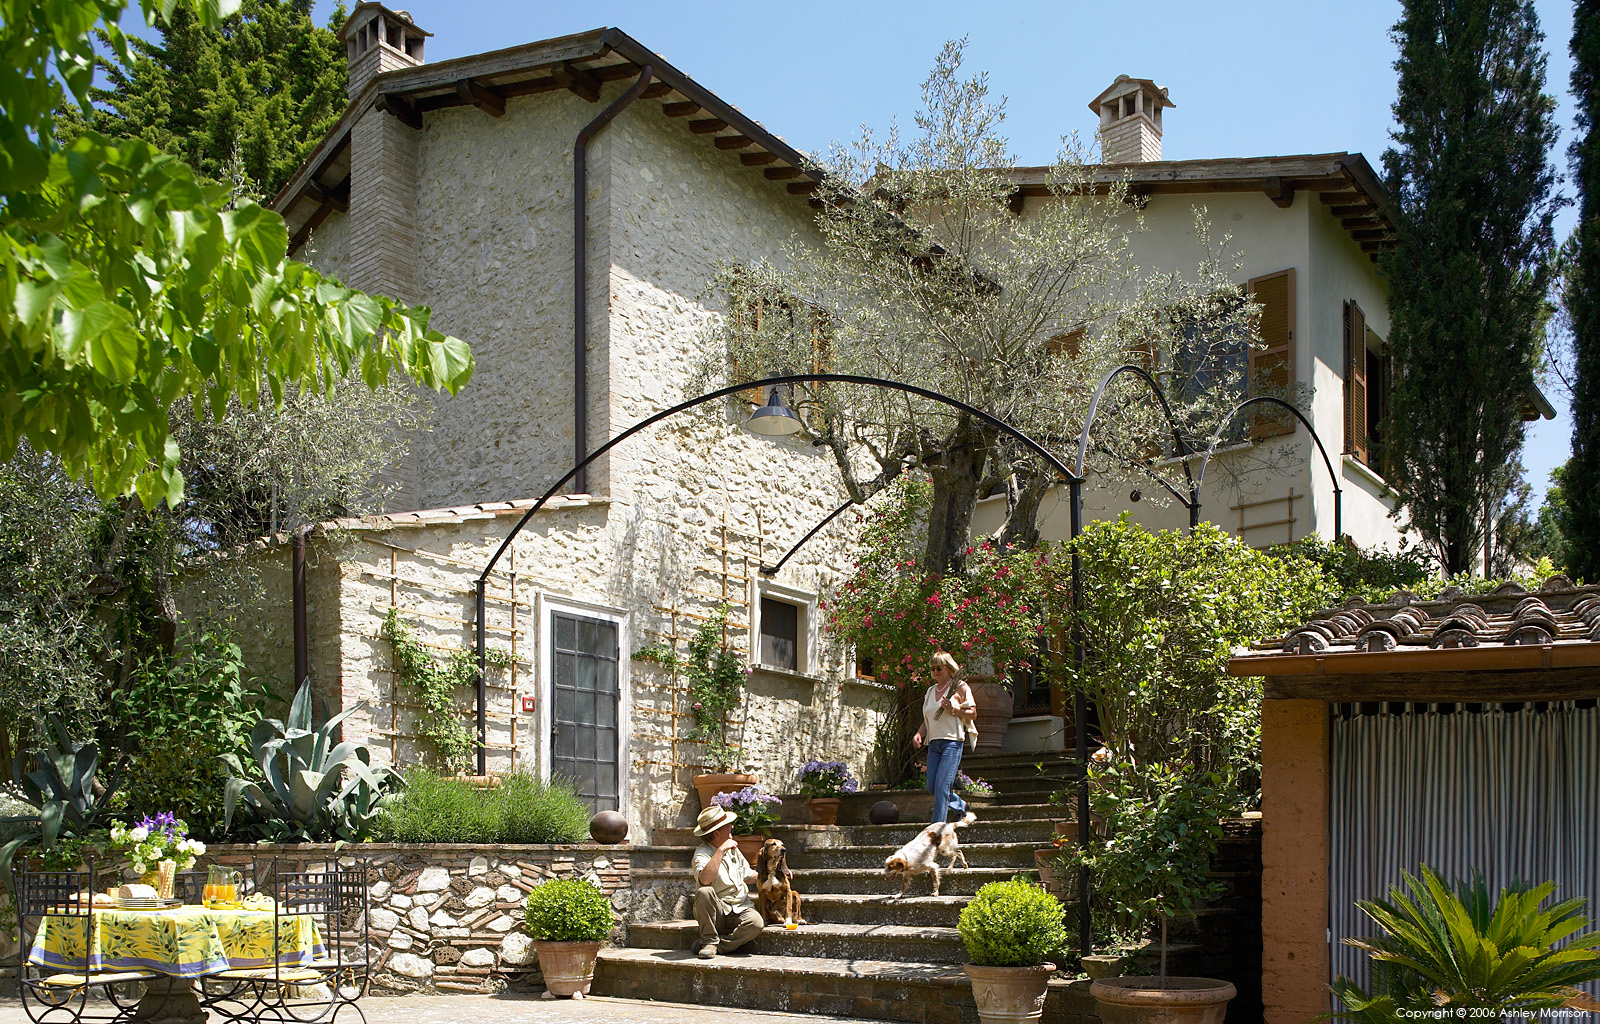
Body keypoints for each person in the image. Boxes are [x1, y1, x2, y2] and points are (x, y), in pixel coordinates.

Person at [689, 805, 763, 959]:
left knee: (756, 924)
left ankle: (718, 946)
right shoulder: (702, 853)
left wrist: (772, 875)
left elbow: (748, 875)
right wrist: (721, 851)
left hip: (740, 907)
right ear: (717, 833)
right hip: (718, 912)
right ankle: (709, 940)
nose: (732, 827)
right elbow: (704, 880)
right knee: (704, 891)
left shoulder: (733, 849)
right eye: (728, 825)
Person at [911, 650, 977, 823]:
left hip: (952, 743)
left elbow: (973, 714)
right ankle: (962, 807)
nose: (935, 672)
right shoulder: (930, 691)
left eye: (939, 668)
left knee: (942, 787)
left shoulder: (959, 687)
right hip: (934, 744)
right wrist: (919, 734)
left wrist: (953, 709)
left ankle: (937, 829)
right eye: (932, 669)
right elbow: (928, 719)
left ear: (948, 668)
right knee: (932, 786)